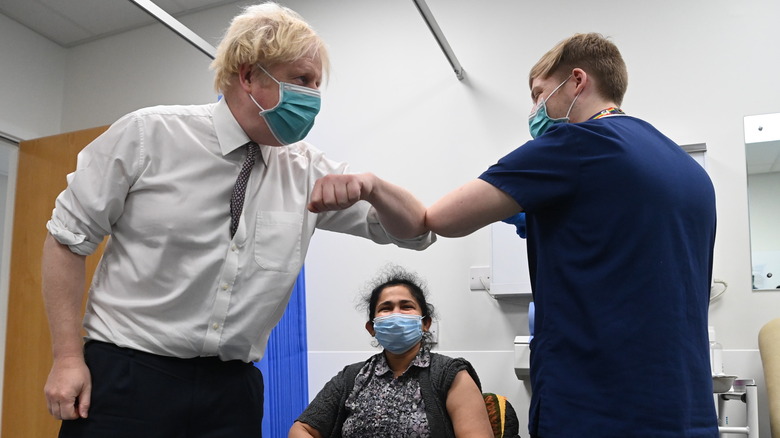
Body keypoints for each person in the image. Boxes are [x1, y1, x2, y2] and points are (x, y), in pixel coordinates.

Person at [41, 3, 433, 437]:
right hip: (128, 375)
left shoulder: (307, 170)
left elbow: (417, 232)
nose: (314, 97)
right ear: (248, 76)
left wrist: (373, 186)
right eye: (302, 80)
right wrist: (67, 358)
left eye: (318, 84)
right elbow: (66, 240)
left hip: (231, 392)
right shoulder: (148, 136)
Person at [423, 33, 718, 437]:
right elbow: (601, 230)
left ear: (577, 81)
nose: (534, 110)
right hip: (688, 413)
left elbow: (442, 218)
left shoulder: (576, 143)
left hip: (597, 411)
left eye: (538, 93)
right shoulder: (690, 172)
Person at [288, 265, 494, 438]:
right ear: (372, 328)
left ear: (425, 324)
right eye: (386, 308)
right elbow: (301, 429)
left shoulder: (450, 375)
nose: (396, 314)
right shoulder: (351, 378)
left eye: (406, 306)